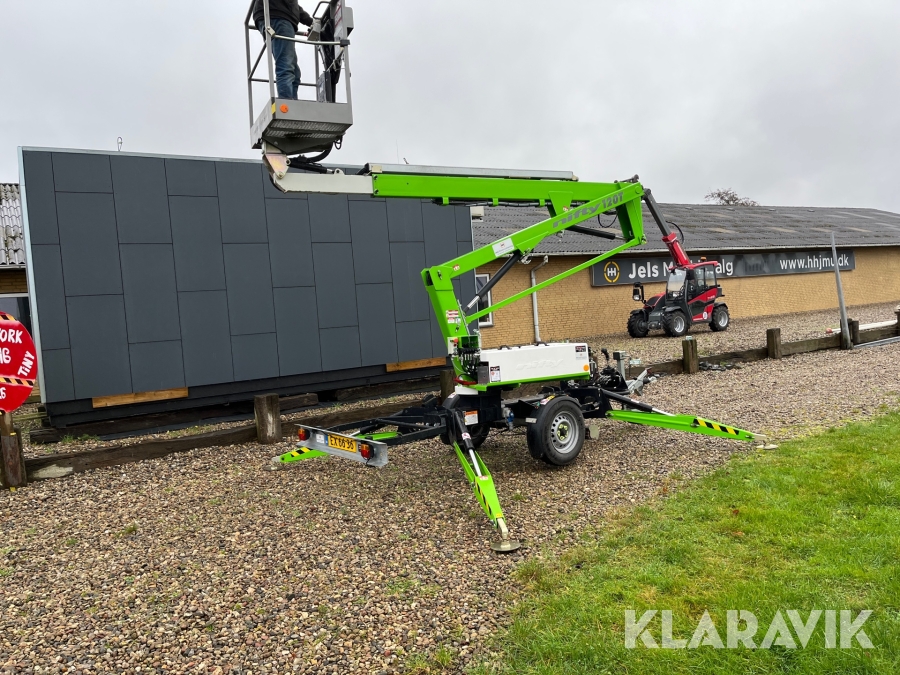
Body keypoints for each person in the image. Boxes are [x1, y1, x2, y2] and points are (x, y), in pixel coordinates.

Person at [253, 0, 314, 100]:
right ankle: (287, 105)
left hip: (275, 14)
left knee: (295, 73)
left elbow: (293, 6)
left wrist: (311, 22)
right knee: (286, 66)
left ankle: (292, 104)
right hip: (278, 15)